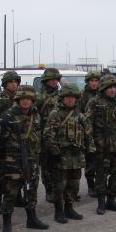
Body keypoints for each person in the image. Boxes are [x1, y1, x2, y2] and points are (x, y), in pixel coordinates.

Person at [0, 85, 49, 232]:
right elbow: (0, 141)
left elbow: (39, 136)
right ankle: (7, 224)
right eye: (23, 99)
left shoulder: (36, 116)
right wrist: (5, 159)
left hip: (32, 159)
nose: (26, 101)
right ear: (18, 99)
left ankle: (32, 218)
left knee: (31, 190)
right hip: (13, 160)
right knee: (10, 193)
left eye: (29, 99)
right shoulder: (8, 116)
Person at [44, 84, 95, 224]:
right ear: (62, 98)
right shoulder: (55, 114)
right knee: (59, 186)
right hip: (61, 156)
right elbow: (48, 135)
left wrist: (91, 150)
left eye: (73, 97)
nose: (70, 99)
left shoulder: (80, 115)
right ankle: (58, 210)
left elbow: (88, 134)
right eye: (67, 97)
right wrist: (54, 151)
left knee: (74, 184)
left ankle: (69, 207)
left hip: (76, 156)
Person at [84, 74, 116, 215]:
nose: (112, 90)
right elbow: (87, 124)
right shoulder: (94, 102)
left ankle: (111, 199)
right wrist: (91, 144)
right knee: (101, 174)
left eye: (114, 87)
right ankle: (101, 202)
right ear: (103, 88)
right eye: (109, 87)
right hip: (101, 144)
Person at [0, 70, 21, 214]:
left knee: (18, 170)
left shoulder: (20, 98)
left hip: (17, 141)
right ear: (5, 84)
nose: (14, 85)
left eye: (16, 82)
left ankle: (17, 196)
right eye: (10, 82)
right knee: (1, 171)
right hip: (3, 140)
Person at [37, 68, 62, 203]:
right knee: (46, 164)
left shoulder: (61, 95)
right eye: (51, 79)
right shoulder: (39, 96)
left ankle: (60, 190)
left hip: (59, 134)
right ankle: (49, 189)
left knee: (59, 163)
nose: (54, 81)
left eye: (56, 79)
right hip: (44, 134)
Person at [79, 70, 101, 198]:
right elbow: (78, 113)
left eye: (96, 81)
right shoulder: (82, 96)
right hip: (87, 132)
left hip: (100, 132)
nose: (94, 83)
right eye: (91, 81)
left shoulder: (101, 94)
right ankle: (91, 185)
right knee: (90, 160)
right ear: (87, 82)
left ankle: (99, 184)